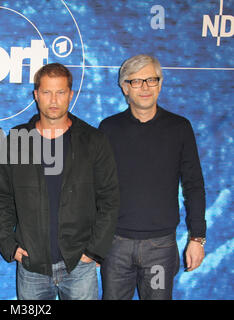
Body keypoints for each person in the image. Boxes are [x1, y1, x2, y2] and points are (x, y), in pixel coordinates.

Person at [0, 63, 120, 300]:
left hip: (79, 265)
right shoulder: (16, 140)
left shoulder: (93, 141)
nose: (54, 100)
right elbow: (2, 198)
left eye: (60, 92)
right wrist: (9, 245)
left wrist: (93, 251)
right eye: (46, 92)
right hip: (32, 267)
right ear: (36, 95)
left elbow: (110, 200)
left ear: (71, 95)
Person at [99, 54, 206, 300]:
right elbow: (96, 188)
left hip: (160, 248)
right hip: (116, 246)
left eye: (151, 80)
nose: (145, 87)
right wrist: (95, 242)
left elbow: (194, 186)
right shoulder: (108, 129)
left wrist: (197, 238)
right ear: (125, 87)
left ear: (160, 84)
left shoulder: (179, 128)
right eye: (136, 81)